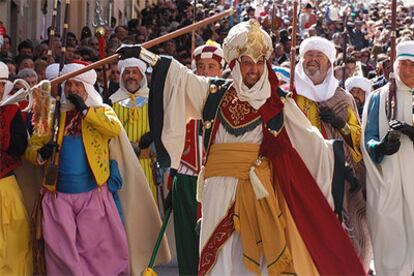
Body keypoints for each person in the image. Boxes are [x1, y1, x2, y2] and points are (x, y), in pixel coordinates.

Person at [119, 20, 365, 275]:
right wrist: (143, 55)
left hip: (258, 194)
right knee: (219, 262)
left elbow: (308, 140)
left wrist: (336, 162)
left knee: (253, 264)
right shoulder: (214, 93)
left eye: (260, 63)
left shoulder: (278, 103)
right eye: (248, 62)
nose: (254, 70)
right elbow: (179, 77)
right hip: (216, 194)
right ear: (235, 64)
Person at [25, 61, 170, 274]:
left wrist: (85, 111)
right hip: (58, 197)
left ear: (87, 88)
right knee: (62, 255)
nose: (72, 89)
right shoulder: (51, 115)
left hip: (93, 195)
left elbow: (112, 128)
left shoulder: (101, 111)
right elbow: (32, 147)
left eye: (78, 85)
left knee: (97, 251)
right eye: (69, 85)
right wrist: (41, 154)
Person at [294, 36, 372, 270]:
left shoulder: (343, 98)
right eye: (309, 55)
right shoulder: (290, 97)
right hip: (301, 174)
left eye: (319, 56)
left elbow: (357, 145)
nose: (313, 60)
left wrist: (341, 124)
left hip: (339, 176)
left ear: (329, 63)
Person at [362, 40, 414, 275]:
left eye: (413, 65)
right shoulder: (379, 97)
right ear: (395, 65)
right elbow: (368, 138)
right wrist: (381, 147)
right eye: (404, 64)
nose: (408, 70)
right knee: (389, 234)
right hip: (388, 181)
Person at [173, 43, 225, 275]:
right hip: (186, 176)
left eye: (211, 67)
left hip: (217, 179)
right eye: (201, 67)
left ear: (221, 70)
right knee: (187, 242)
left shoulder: (230, 95)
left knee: (214, 241)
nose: (205, 72)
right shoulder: (183, 95)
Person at [109, 57, 158, 200]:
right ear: (122, 76)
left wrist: (152, 135)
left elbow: (162, 126)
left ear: (142, 76)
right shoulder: (112, 101)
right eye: (127, 72)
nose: (131, 76)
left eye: (135, 72)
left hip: (146, 163)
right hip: (122, 163)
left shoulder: (154, 99)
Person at [0, 61, 32, 275]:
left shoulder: (12, 110)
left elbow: (19, 147)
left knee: (12, 243)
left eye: (1, 85)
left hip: (4, 186)